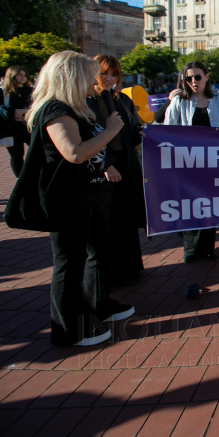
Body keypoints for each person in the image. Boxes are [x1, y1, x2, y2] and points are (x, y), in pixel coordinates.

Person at [22, 51, 135, 346]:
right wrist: (110, 132)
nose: (95, 81)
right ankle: (68, 328)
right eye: (89, 75)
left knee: (101, 244)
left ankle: (99, 306)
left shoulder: (75, 108)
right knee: (69, 261)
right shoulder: (55, 109)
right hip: (65, 197)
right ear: (72, 78)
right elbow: (74, 153)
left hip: (87, 192)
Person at [164, 61, 219, 261]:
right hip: (187, 164)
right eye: (188, 78)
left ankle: (207, 248)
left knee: (210, 205)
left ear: (206, 76)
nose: (193, 82)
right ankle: (191, 249)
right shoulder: (179, 102)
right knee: (190, 206)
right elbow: (169, 130)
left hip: (213, 163)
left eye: (197, 76)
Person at [87, 55, 146, 287]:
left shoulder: (122, 99)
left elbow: (133, 129)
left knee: (128, 217)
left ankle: (130, 268)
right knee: (107, 220)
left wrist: (144, 136)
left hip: (126, 164)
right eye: (104, 73)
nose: (109, 78)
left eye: (113, 74)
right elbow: (89, 136)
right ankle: (109, 273)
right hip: (104, 167)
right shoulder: (87, 102)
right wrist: (106, 164)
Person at [0, 66, 33, 177]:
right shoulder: (2, 92)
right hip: (10, 128)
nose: (23, 77)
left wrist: (24, 111)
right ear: (12, 76)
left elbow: (39, 105)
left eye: (25, 75)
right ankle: (21, 179)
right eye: (20, 75)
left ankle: (34, 176)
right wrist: (12, 112)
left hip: (29, 126)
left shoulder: (31, 90)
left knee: (37, 151)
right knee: (17, 155)